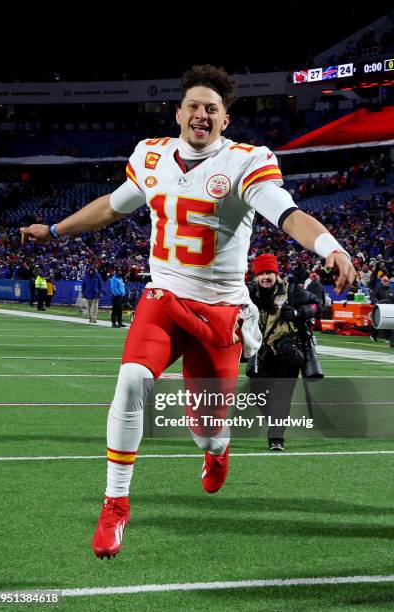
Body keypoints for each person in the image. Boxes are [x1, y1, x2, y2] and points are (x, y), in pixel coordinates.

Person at [20, 64, 355, 559]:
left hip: (218, 313)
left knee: (207, 432)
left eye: (212, 108)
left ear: (225, 119)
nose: (202, 114)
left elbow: (287, 213)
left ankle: (217, 452)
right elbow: (114, 205)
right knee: (132, 381)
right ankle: (115, 503)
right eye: (194, 105)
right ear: (178, 112)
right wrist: (54, 230)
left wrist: (329, 246)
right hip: (164, 298)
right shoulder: (151, 155)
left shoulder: (246, 162)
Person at [246, 254, 321, 450]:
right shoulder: (249, 292)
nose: (265, 277)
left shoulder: (292, 291)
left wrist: (299, 313)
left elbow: (316, 304)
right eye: (261, 273)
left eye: (269, 272)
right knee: (256, 394)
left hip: (288, 351)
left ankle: (276, 438)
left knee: (282, 397)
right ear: (255, 276)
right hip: (262, 352)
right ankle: (276, 421)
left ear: (276, 274)